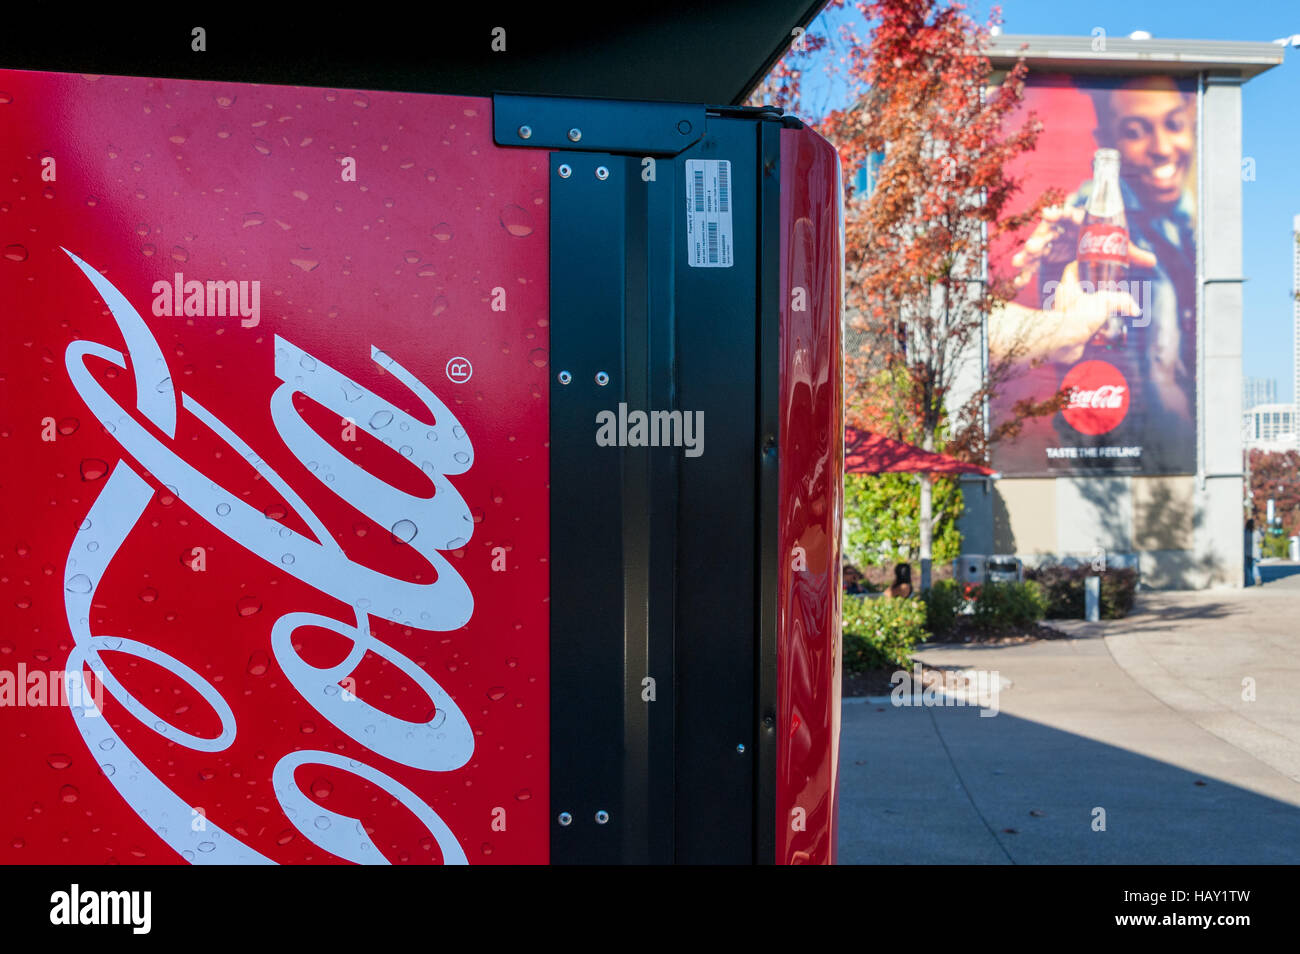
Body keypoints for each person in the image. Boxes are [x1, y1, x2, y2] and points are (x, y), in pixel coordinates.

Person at [990, 76, 1197, 472]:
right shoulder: (1091, 210)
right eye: (1135, 131)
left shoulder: (1184, 222)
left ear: (1190, 122)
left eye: (1173, 123)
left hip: (1167, 463)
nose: (1162, 148)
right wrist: (1062, 329)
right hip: (1110, 444)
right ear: (1106, 141)